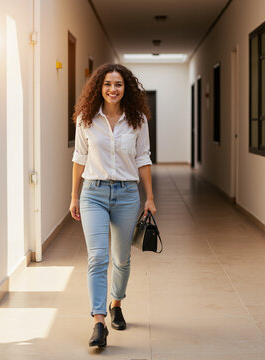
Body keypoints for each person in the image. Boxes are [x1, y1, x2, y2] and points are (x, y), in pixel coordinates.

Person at [69, 63, 156, 348]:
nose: (112, 89)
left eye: (118, 84)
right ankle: (98, 321)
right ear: (99, 87)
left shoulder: (138, 120)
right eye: (107, 84)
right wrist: (74, 196)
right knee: (97, 258)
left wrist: (150, 198)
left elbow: (143, 158)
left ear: (125, 88)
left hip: (127, 194)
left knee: (121, 258)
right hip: (93, 192)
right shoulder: (86, 119)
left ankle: (116, 303)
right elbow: (79, 158)